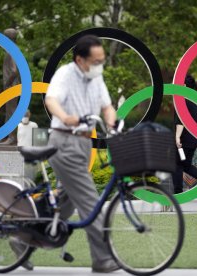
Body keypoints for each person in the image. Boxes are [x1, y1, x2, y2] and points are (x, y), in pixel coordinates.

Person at [45, 35, 118, 273]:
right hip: (64, 142)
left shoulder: (95, 77)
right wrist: (66, 117)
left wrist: (112, 123)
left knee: (65, 205)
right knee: (90, 202)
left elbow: (107, 106)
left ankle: (23, 239)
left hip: (84, 144)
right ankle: (102, 259)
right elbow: (51, 99)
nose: (100, 65)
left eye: (102, 60)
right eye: (96, 61)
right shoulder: (65, 74)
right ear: (80, 60)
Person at [171, 74, 197, 195]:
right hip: (192, 139)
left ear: (183, 85)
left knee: (176, 164)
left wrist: (177, 136)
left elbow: (182, 120)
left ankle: (177, 192)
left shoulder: (182, 100)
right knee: (185, 165)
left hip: (184, 139)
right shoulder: (194, 100)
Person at [0, 28, 20, 145]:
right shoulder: (13, 50)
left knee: (11, 113)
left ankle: (12, 138)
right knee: (9, 112)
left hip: (11, 87)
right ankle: (9, 136)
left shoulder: (10, 51)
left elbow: (14, 71)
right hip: (13, 86)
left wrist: (7, 84)